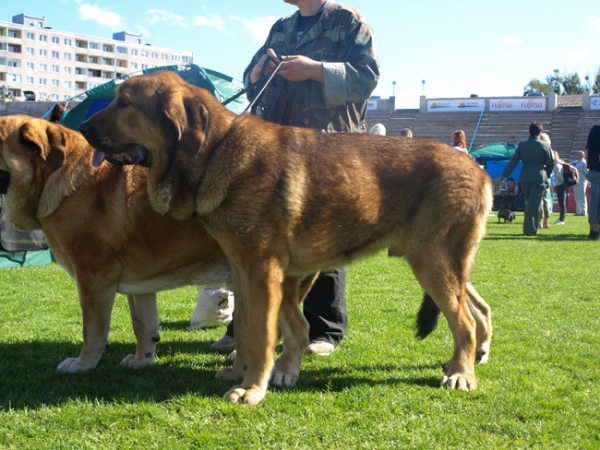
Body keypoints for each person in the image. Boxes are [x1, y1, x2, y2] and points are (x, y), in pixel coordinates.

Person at [210, 0, 380, 356]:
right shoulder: (281, 28)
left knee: (323, 236)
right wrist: (259, 70)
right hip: (273, 151)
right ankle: (244, 325)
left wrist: (316, 70)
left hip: (325, 151)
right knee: (257, 241)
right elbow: (251, 82)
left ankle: (324, 329)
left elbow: (367, 78)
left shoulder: (348, 21)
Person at [500, 122, 554, 236]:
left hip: (525, 177)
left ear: (529, 132)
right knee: (535, 205)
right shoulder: (545, 145)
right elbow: (550, 163)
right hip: (539, 176)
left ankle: (530, 228)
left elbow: (513, 161)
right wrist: (547, 175)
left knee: (529, 204)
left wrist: (504, 175)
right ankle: (530, 231)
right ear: (540, 132)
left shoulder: (522, 145)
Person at [585, 122, 600, 240]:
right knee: (596, 202)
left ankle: (594, 231)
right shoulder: (597, 131)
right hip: (598, 171)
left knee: (595, 201)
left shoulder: (593, 131)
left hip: (594, 170)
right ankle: (594, 231)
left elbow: (587, 152)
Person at [538, 132, 553, 228]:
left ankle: (539, 221)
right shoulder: (550, 150)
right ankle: (546, 221)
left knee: (539, 201)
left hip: (539, 175)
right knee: (546, 199)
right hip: (548, 176)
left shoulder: (539, 149)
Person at [572, 151, 588, 216]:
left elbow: (586, 173)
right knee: (577, 196)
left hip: (582, 182)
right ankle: (578, 211)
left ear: (582, 155)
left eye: (578, 154)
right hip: (576, 182)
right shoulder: (577, 163)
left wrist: (587, 181)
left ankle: (584, 211)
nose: (576, 155)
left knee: (582, 197)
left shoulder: (583, 163)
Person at [552, 151, 567, 225]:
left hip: (559, 184)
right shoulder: (561, 163)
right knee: (562, 201)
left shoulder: (556, 165)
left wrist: (563, 182)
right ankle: (562, 218)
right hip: (561, 184)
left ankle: (561, 219)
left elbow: (559, 175)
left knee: (561, 202)